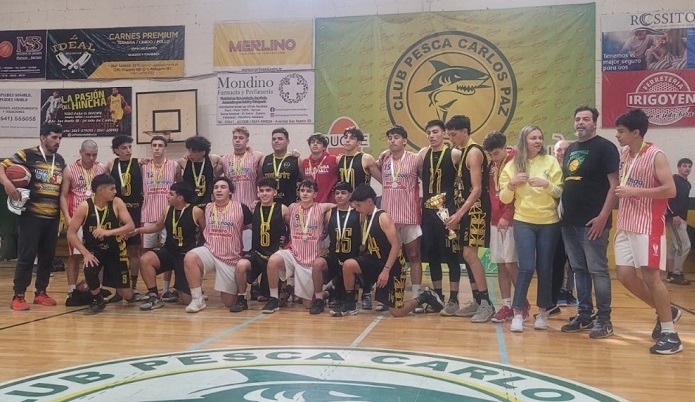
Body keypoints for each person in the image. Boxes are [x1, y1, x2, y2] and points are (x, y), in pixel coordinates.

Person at [614, 109, 682, 354]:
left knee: (652, 277)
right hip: (626, 223)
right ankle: (668, 311)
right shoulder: (625, 153)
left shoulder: (656, 155)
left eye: (621, 131)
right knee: (625, 276)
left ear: (636, 133)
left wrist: (635, 192)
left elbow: (670, 190)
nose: (617, 135)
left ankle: (670, 334)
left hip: (648, 225)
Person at [332, 184, 444, 317]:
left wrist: (385, 271)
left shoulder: (383, 217)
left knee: (397, 312)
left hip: (393, 265)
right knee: (348, 265)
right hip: (375, 260)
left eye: (358, 205)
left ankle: (425, 296)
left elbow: (396, 246)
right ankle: (350, 304)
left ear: (369, 202)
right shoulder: (364, 216)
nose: (356, 209)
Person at [560, 106, 620, 339]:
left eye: (586, 119)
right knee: (578, 270)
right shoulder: (571, 149)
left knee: (598, 270)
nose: (581, 123)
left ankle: (604, 320)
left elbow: (614, 186)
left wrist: (603, 216)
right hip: (569, 222)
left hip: (594, 222)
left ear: (595, 123)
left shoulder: (605, 148)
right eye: (577, 119)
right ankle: (584, 314)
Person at [499, 125, 563, 332]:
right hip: (524, 222)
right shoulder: (512, 166)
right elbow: (504, 198)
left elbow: (559, 192)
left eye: (540, 137)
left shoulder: (551, 161)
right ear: (524, 141)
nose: (538, 141)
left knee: (545, 268)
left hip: (549, 222)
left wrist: (547, 185)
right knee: (526, 267)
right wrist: (511, 184)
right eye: (533, 138)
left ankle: (543, 312)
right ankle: (518, 312)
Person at [0, 123, 67, 310]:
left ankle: (41, 292)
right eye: (54, 137)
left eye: (60, 138)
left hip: (52, 217)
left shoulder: (60, 160)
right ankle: (19, 295)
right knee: (27, 256)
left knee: (47, 257)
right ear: (43, 138)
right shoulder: (27, 155)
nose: (57, 141)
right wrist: (7, 183)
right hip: (31, 216)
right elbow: (1, 166)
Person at [444, 115, 495, 323]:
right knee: (466, 255)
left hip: (475, 211)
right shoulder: (462, 151)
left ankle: (486, 303)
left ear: (465, 131)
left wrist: (459, 213)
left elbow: (476, 189)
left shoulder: (473, 152)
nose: (451, 139)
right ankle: (477, 300)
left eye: (454, 134)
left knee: (470, 254)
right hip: (465, 210)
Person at [417, 120, 467, 315]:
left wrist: (459, 210)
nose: (431, 135)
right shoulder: (423, 154)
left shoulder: (454, 154)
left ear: (444, 133)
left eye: (435, 132)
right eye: (429, 132)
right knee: (432, 256)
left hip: (448, 213)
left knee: (451, 256)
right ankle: (437, 297)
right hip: (428, 213)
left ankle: (454, 298)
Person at [66, 174, 136, 314]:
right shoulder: (85, 206)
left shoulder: (117, 202)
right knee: (89, 267)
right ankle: (97, 299)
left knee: (127, 295)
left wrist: (108, 232)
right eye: (112, 189)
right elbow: (71, 234)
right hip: (95, 249)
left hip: (115, 250)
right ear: (100, 190)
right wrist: (85, 253)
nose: (115, 191)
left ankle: (119, 291)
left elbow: (130, 226)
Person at [262, 180, 334, 313]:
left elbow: (340, 205)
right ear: (298, 193)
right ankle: (273, 298)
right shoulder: (292, 207)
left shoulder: (322, 208)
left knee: (308, 305)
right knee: (273, 260)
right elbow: (272, 207)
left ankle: (326, 293)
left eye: (309, 191)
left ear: (315, 194)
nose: (305, 193)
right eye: (302, 191)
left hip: (311, 258)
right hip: (293, 253)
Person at [182, 177, 252, 313]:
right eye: (216, 187)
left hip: (230, 258)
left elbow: (254, 228)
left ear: (230, 191)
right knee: (190, 257)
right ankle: (197, 299)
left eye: (223, 187)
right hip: (210, 250)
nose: (219, 190)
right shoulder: (207, 208)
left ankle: (239, 291)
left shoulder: (241, 208)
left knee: (229, 302)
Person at [378, 125, 428, 312]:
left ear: (405, 141)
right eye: (390, 137)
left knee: (414, 256)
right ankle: (387, 297)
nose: (392, 140)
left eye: (396, 137)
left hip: (409, 215)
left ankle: (416, 297)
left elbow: (426, 179)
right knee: (389, 258)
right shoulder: (383, 159)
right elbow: (370, 167)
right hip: (388, 218)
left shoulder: (415, 159)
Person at [135, 182, 205, 310]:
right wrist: (138, 230)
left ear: (180, 198)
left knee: (186, 300)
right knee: (145, 259)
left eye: (171, 194)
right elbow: (157, 226)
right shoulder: (167, 209)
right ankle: (154, 296)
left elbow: (206, 232)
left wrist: (201, 250)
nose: (167, 196)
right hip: (170, 251)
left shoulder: (196, 212)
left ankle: (187, 289)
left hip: (186, 255)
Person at [482, 131, 528, 323]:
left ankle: (522, 303)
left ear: (505, 147)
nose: (493, 157)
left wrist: (507, 216)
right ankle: (507, 305)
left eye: (496, 153)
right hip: (494, 220)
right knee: (500, 264)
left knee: (511, 263)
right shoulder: (492, 166)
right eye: (490, 154)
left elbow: (517, 193)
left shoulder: (515, 162)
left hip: (510, 220)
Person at [230, 178, 289, 312]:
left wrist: (285, 244)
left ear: (275, 192)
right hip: (257, 253)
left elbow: (293, 229)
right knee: (241, 265)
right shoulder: (254, 208)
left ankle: (275, 298)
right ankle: (242, 299)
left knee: (271, 297)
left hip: (275, 255)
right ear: (257, 193)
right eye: (261, 191)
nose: (264, 193)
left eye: (268, 190)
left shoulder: (283, 209)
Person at [59, 140, 107, 306]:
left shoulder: (101, 169)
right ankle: (72, 291)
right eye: (88, 155)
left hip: (97, 219)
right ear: (80, 152)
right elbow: (63, 195)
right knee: (75, 256)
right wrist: (67, 217)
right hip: (77, 218)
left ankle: (98, 291)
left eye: (94, 155)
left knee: (99, 256)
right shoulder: (69, 169)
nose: (91, 158)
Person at [313, 182, 362, 315]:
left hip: (352, 257)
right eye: (337, 193)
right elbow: (324, 233)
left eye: (343, 193)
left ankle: (342, 294)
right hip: (334, 256)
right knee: (317, 264)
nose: (340, 196)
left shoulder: (358, 213)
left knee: (343, 297)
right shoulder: (329, 213)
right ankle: (319, 299)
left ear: (350, 195)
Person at [106, 135, 144, 302]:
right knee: (117, 251)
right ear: (116, 150)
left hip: (135, 210)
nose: (128, 150)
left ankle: (133, 286)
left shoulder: (139, 164)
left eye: (130, 147)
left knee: (134, 250)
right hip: (117, 211)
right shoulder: (110, 165)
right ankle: (118, 289)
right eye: (124, 148)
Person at [221, 126, 265, 209]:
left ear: (247, 141)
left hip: (251, 204)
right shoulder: (225, 158)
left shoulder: (256, 156)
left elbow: (271, 158)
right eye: (235, 138)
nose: (237, 140)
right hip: (231, 205)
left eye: (241, 138)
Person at [665, 158, 692, 285]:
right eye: (684, 166)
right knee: (684, 245)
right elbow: (667, 198)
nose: (687, 168)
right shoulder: (674, 180)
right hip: (674, 218)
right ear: (679, 167)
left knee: (674, 246)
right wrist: (674, 215)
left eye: (689, 166)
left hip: (682, 218)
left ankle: (670, 274)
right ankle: (677, 273)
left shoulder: (687, 184)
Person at [261, 127, 302, 206]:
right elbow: (260, 182)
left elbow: (303, 181)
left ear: (287, 141)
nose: (276, 141)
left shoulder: (296, 160)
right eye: (274, 139)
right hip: (269, 205)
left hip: (290, 205)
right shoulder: (264, 160)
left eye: (280, 139)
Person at [179, 136, 221, 209]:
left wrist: (215, 173)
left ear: (203, 152)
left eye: (193, 151)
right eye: (189, 150)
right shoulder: (183, 162)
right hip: (189, 203)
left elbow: (223, 161)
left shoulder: (212, 159)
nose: (190, 154)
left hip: (208, 202)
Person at [302, 133, 338, 203]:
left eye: (318, 142)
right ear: (309, 146)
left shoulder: (333, 160)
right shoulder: (305, 162)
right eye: (312, 142)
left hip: (329, 203)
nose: (315, 144)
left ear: (324, 147)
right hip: (311, 204)